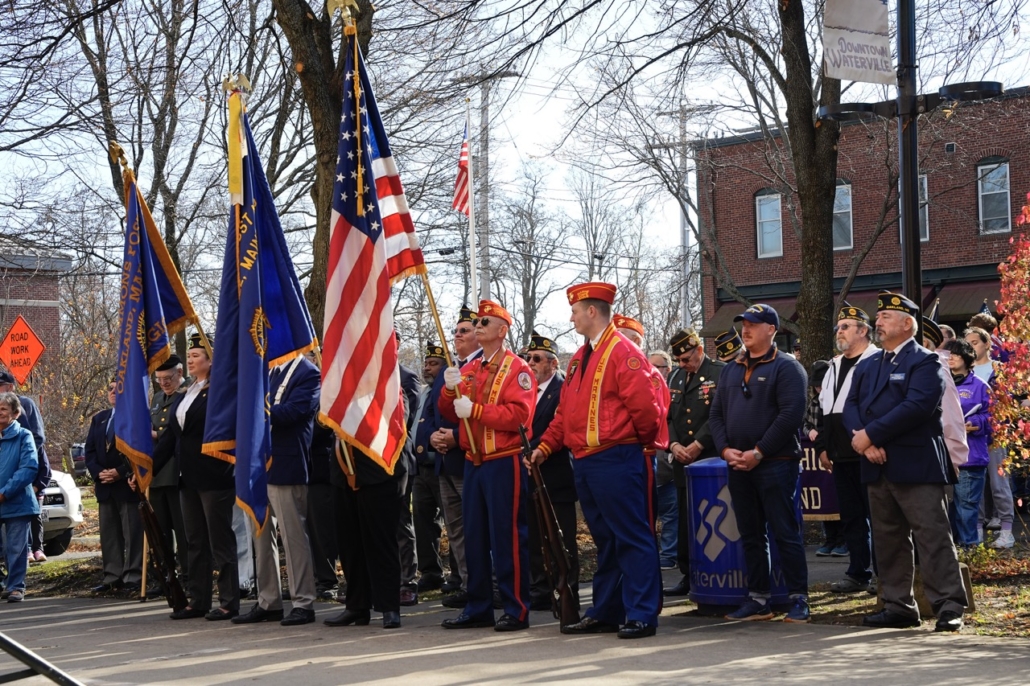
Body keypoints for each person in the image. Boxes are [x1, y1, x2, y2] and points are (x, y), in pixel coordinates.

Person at [530, 282, 665, 639]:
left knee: (632, 537)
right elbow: (565, 412)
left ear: (592, 311)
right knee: (607, 540)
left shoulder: (623, 352)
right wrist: (545, 446)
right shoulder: (578, 357)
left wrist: (634, 444)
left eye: (575, 310)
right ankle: (607, 610)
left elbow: (647, 411)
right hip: (587, 461)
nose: (571, 316)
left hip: (617, 457)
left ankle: (642, 613)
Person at [844, 291, 967, 632]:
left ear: (907, 324)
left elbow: (917, 407)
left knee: (932, 536)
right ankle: (898, 605)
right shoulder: (868, 364)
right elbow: (851, 406)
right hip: (877, 464)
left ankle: (948, 605)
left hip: (916, 465)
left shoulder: (926, 361)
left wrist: (871, 436)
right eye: (878, 316)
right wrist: (864, 442)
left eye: (885, 317)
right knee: (887, 539)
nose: (878, 322)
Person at [708, 304, 810, 623]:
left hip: (775, 463)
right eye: (744, 324)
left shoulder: (787, 367)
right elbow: (716, 415)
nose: (746, 329)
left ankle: (798, 598)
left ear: (771, 330)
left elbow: (790, 415)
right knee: (750, 534)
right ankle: (758, 599)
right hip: (737, 464)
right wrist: (726, 450)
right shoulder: (731, 369)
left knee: (784, 530)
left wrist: (759, 452)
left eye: (754, 324)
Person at [438, 300, 536, 632]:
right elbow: (449, 412)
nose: (477, 326)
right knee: (475, 537)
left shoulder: (518, 369)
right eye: (476, 322)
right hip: (473, 462)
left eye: (484, 322)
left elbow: (520, 417)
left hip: (503, 461)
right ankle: (478, 605)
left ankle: (515, 608)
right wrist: (449, 389)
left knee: (507, 537)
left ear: (502, 330)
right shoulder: (471, 368)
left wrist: (476, 411)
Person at [153, 333, 240, 621]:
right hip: (187, 477)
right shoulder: (189, 391)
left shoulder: (221, 390)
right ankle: (198, 599)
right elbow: (171, 438)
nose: (190, 360)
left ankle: (229, 601)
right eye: (189, 356)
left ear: (211, 360)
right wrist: (146, 470)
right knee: (195, 541)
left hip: (214, 474)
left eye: (196, 356)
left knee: (220, 541)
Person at [233, 354, 321, 627]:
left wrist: (256, 408)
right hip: (259, 467)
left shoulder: (309, 373)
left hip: (287, 464)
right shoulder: (268, 372)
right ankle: (268, 600)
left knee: (293, 536)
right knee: (261, 536)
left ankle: (303, 601)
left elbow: (295, 411)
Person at [814, 305, 878, 594]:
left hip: (868, 452)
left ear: (863, 331)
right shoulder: (834, 365)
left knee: (879, 518)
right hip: (840, 455)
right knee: (851, 517)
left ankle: (884, 573)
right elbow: (824, 409)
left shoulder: (876, 360)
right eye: (838, 326)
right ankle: (858, 572)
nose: (838, 331)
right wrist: (823, 446)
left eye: (845, 326)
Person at [663, 328, 725, 597]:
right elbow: (666, 417)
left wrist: (698, 443)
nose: (682, 364)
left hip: (711, 458)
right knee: (685, 521)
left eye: (687, 358)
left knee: (713, 518)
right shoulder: (676, 376)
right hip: (682, 461)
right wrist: (674, 445)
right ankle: (688, 574)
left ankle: (718, 571)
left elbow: (720, 414)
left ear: (699, 350)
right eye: (678, 360)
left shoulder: (719, 373)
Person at [429, 305, 483, 607]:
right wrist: (432, 437)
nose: (457, 335)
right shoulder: (450, 369)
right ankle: (466, 582)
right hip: (444, 462)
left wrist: (455, 438)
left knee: (476, 527)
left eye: (464, 330)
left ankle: (483, 584)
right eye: (456, 331)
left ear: (478, 334)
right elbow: (430, 413)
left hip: (469, 459)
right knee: (456, 531)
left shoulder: (482, 368)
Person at [526, 331, 580, 611]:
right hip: (529, 474)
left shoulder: (563, 390)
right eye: (528, 358)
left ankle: (568, 589)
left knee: (561, 537)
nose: (530, 363)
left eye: (536, 358)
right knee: (535, 536)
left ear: (553, 363)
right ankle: (540, 589)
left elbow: (558, 429)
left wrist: (532, 449)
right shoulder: (525, 389)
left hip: (555, 473)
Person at [84, 380, 144, 595]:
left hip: (126, 484)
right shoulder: (99, 419)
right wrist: (98, 472)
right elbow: (89, 451)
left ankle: (133, 576)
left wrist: (120, 471)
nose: (112, 392)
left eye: (116, 388)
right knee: (109, 535)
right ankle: (112, 576)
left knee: (132, 533)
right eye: (109, 389)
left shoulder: (135, 416)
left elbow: (137, 449)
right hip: (105, 486)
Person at [965, 326, 1015, 549]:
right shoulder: (965, 371)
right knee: (974, 484)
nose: (971, 347)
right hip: (970, 436)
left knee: (998, 483)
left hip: (994, 435)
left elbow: (1008, 401)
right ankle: (976, 529)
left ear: (987, 344)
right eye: (968, 343)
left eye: (975, 342)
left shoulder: (999, 369)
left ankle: (1007, 531)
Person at [411, 343, 452, 594]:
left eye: (433, 363)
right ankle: (430, 572)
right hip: (420, 467)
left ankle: (458, 574)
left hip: (441, 463)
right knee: (423, 523)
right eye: (426, 363)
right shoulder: (424, 391)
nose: (427, 367)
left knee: (452, 521)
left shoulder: (445, 391)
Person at [941, 339, 991, 546]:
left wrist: (975, 422)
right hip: (943, 456)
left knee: (966, 509)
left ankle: (970, 553)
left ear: (967, 358)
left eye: (956, 354)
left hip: (970, 459)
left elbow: (994, 418)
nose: (950, 358)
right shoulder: (940, 382)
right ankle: (952, 554)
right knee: (946, 511)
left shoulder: (980, 386)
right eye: (948, 354)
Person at [0, 370, 50, 565]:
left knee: (28, 515)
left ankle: (34, 548)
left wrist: (18, 461)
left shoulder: (26, 405)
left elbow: (37, 437)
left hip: (26, 472)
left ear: (10, 387)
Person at [150, 355, 189, 582]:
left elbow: (182, 430)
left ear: (180, 373)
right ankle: (166, 575)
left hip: (177, 472)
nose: (164, 383)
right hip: (157, 474)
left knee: (183, 530)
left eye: (168, 378)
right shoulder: (157, 398)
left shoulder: (188, 394)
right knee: (161, 531)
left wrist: (157, 434)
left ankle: (187, 574)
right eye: (159, 379)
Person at [0, 392, 42, 603]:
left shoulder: (24, 436)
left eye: (3, 410)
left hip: (16, 502)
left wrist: (4, 492)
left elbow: (28, 468)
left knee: (16, 548)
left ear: (15, 414)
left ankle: (16, 587)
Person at [806, 360, 846, 558]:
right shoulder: (813, 403)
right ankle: (829, 539)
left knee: (838, 499)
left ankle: (843, 540)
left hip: (839, 455)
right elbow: (806, 424)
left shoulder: (838, 398)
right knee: (824, 500)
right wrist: (810, 430)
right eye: (816, 385)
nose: (819, 388)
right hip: (821, 457)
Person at [649, 350, 677, 571]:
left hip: (668, 468)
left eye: (657, 367)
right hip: (647, 469)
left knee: (670, 517)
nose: (652, 371)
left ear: (667, 370)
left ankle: (669, 555)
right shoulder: (643, 390)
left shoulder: (674, 393)